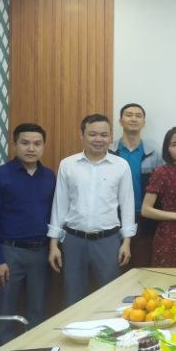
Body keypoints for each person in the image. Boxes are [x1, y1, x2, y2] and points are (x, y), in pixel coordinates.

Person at [47, 114, 136, 306]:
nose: (98, 139)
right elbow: (60, 205)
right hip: (73, 240)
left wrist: (126, 242)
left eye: (104, 135)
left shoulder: (121, 166)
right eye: (92, 134)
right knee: (73, 297)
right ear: (82, 135)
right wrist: (53, 244)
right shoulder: (68, 164)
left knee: (111, 296)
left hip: (108, 240)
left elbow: (127, 205)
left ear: (110, 136)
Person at [0, 123, 56, 344]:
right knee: (4, 312)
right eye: (25, 143)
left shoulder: (49, 176)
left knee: (37, 311)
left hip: (40, 252)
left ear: (43, 146)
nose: (31, 148)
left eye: (37, 143)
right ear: (14, 144)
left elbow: (55, 215)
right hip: (9, 253)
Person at [110, 103, 162, 267]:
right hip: (114, 218)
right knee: (115, 268)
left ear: (143, 122)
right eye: (129, 115)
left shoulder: (154, 153)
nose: (133, 119)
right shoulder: (109, 152)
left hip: (143, 219)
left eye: (138, 116)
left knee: (142, 268)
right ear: (120, 121)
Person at [142, 127, 176, 267]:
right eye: (174, 145)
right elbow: (145, 210)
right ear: (167, 149)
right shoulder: (161, 172)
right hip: (168, 234)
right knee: (166, 275)